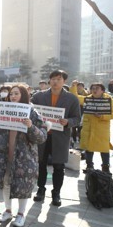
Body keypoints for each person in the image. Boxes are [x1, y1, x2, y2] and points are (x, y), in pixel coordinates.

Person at [0, 85, 48, 227]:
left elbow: (42, 137)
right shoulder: (4, 109)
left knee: (23, 186)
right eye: (11, 94)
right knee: (6, 183)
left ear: (23, 95)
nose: (13, 96)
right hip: (3, 156)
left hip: (24, 159)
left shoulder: (32, 113)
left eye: (17, 93)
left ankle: (21, 214)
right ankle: (8, 211)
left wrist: (31, 126)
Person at [32, 70, 81, 206]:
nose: (55, 81)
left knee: (59, 166)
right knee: (40, 164)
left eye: (59, 79)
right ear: (49, 80)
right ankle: (40, 190)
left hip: (60, 137)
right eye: (53, 79)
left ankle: (56, 193)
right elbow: (30, 110)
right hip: (42, 136)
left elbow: (77, 118)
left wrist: (68, 122)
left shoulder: (72, 98)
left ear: (64, 81)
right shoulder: (39, 96)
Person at [70, 81, 113, 173]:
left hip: (102, 130)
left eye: (97, 88)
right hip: (88, 128)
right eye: (93, 88)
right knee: (89, 149)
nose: (94, 90)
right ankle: (89, 166)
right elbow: (75, 97)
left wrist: (103, 116)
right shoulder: (87, 99)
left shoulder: (111, 101)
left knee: (104, 150)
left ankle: (105, 167)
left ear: (102, 90)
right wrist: (73, 86)